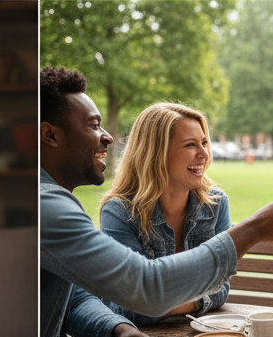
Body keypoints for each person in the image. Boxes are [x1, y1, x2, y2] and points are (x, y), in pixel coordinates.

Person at [40, 67, 273, 337]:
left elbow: (78, 297)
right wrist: (254, 229)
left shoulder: (52, 202)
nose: (107, 137)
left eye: (204, 143)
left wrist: (119, 329)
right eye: (93, 125)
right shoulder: (47, 207)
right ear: (49, 135)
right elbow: (145, 291)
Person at [98, 103, 232, 325]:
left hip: (199, 336)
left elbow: (222, 288)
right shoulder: (119, 212)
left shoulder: (215, 204)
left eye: (204, 142)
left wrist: (160, 303)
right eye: (190, 145)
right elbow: (130, 307)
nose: (204, 154)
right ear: (156, 153)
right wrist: (199, 300)